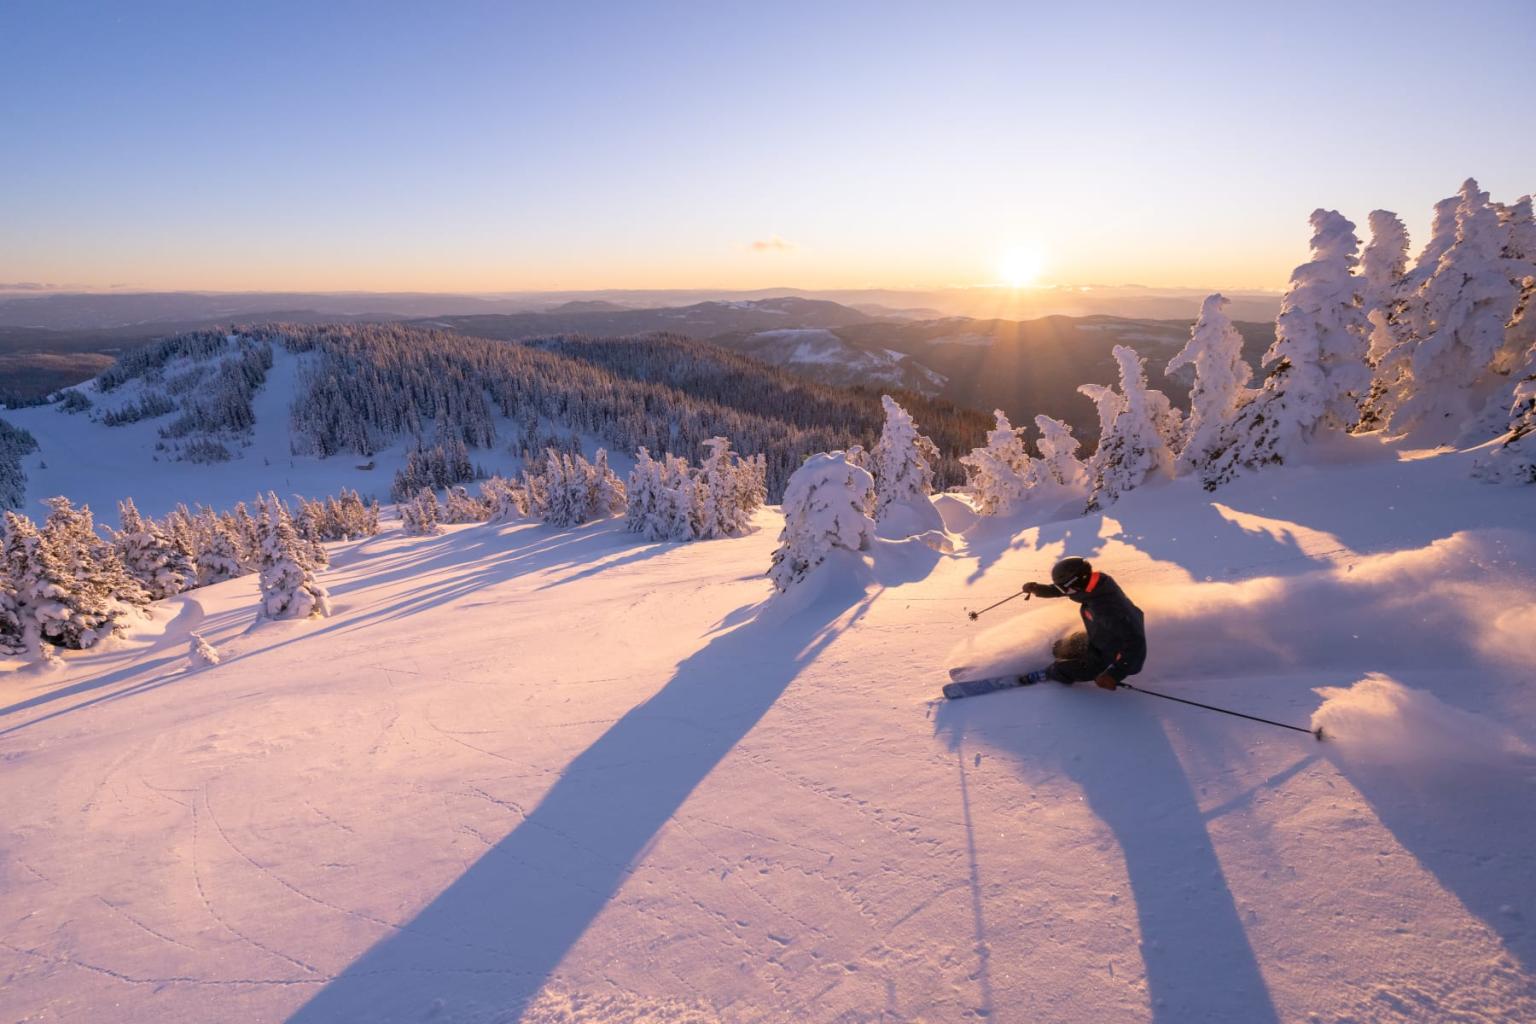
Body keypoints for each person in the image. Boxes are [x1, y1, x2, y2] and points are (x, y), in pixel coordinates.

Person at [1021, 557, 1145, 690]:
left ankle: (1048, 674)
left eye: (1065, 588)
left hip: (1111, 655)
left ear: (1076, 583)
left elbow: (1136, 643)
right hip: (1101, 636)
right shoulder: (1095, 583)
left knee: (1061, 669)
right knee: (1061, 646)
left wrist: (1114, 674)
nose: (1064, 591)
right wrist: (1037, 589)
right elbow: (1064, 588)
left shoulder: (1107, 608)